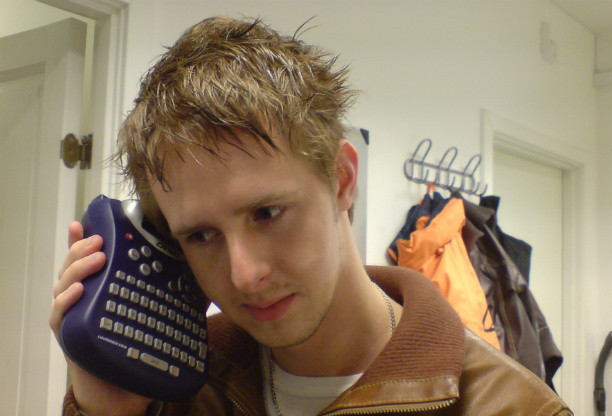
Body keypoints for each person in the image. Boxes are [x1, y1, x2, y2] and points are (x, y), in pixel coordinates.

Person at [49, 16, 573, 416]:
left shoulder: (512, 407)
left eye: (267, 212)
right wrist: (105, 410)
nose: (244, 275)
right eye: (201, 235)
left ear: (342, 179)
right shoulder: (185, 388)